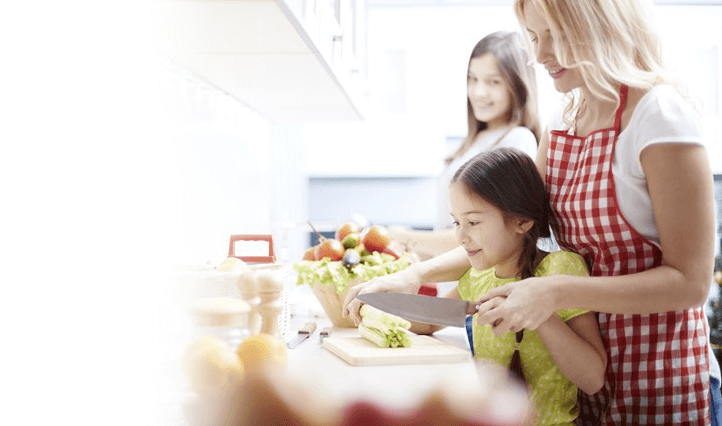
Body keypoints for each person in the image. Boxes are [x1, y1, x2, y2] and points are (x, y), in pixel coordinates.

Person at [344, 0, 719, 424]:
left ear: (600, 28)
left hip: (660, 379)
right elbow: (506, 231)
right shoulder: (563, 123)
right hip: (582, 381)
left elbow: (690, 282)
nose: (539, 57)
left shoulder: (659, 117)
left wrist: (554, 293)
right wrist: (414, 276)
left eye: (554, 37)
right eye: (534, 38)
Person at [408, 147, 606, 424]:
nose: (461, 236)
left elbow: (593, 378)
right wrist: (373, 308)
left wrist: (540, 314)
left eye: (473, 222)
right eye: (456, 222)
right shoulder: (479, 276)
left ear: (522, 221)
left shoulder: (559, 270)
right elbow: (430, 322)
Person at [388, 30, 540, 261]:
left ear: (517, 85)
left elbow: (484, 234)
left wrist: (405, 237)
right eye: (473, 79)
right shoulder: (476, 141)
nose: (479, 92)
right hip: (455, 282)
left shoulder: (517, 140)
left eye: (494, 82)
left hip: (482, 287)